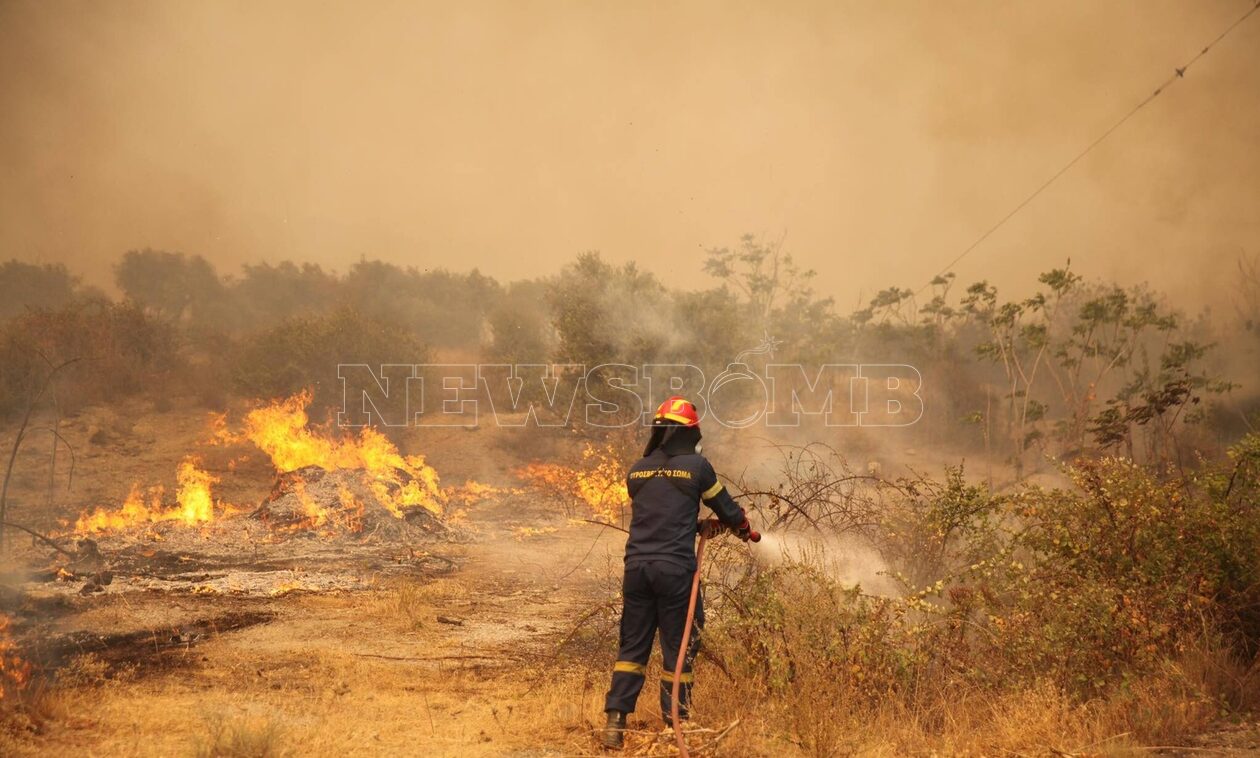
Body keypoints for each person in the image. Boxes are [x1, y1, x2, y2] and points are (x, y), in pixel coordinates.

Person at [601, 395, 754, 750]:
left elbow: (661, 512)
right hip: (675, 572)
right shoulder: (698, 468)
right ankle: (676, 721)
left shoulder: (637, 470)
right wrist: (742, 528)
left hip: (637, 569)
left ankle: (615, 723)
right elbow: (729, 510)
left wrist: (697, 525)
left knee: (633, 647)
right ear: (689, 433)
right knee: (680, 647)